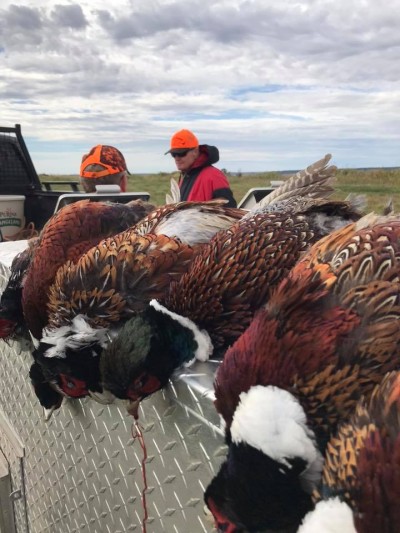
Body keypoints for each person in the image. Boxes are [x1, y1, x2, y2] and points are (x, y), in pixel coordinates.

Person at [165, 129, 237, 207]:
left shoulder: (214, 176)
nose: (177, 158)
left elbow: (229, 209)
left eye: (181, 153)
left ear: (195, 152)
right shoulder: (185, 176)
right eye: (173, 154)